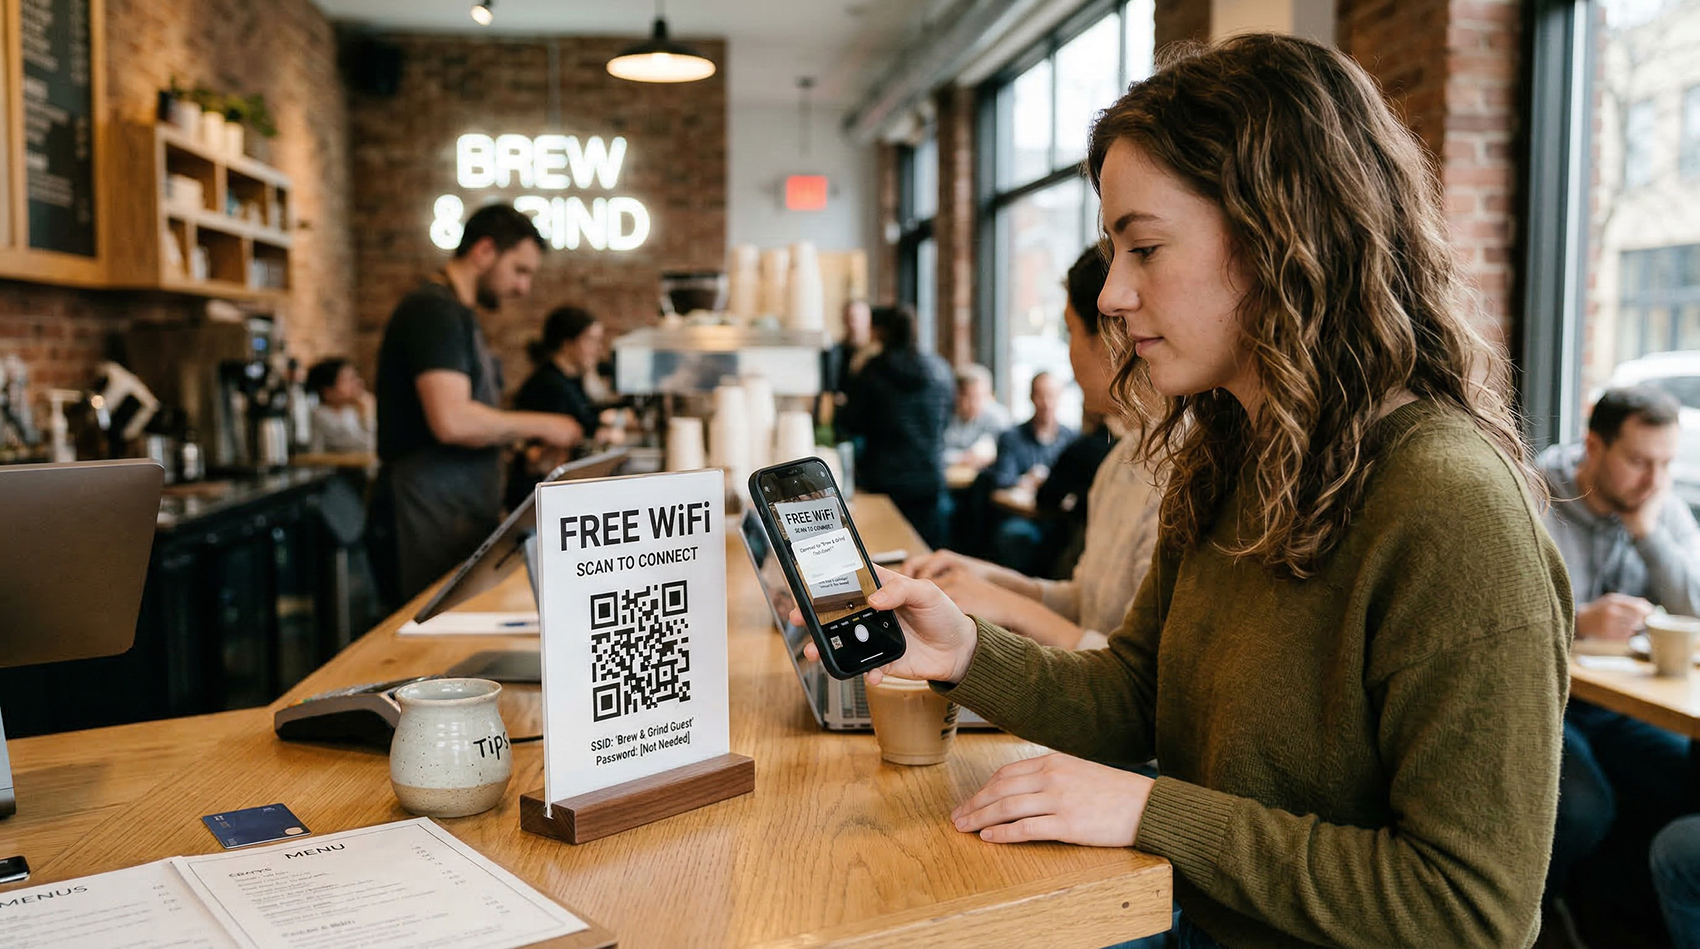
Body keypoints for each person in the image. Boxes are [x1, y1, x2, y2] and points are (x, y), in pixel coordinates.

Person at [806, 34, 1570, 948]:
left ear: (1282, 240)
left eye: (1145, 249)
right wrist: (968, 647)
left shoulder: (1451, 504)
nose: (1115, 296)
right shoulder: (1233, 455)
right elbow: (1137, 694)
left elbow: (1469, 909)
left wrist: (1152, 810)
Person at [905, 245, 1162, 650]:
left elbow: (1142, 681)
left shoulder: (1178, 475)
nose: (1070, 354)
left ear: (1113, 337)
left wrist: (1007, 605)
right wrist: (984, 578)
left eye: (1071, 332)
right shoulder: (1120, 461)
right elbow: (1082, 602)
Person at [1538, 384, 1700, 946]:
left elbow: (1696, 611)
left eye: (1665, 463)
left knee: (1685, 779)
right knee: (1582, 806)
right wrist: (1581, 620)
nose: (1654, 480)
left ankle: (1618, 917)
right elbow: (1494, 615)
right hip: (1546, 699)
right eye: (1638, 461)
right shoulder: (1537, 497)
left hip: (1620, 705)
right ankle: (1534, 923)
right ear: (1594, 446)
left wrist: (1648, 535)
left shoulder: (1658, 505)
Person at [368, 204, 581, 606]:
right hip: (419, 513)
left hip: (451, 512)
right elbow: (452, 421)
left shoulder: (458, 315)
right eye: (520, 270)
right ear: (483, 252)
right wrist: (546, 424)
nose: (523, 288)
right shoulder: (433, 311)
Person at [837, 304, 954, 549]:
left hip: (885, 480)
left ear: (879, 332)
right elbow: (946, 419)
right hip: (929, 477)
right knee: (928, 556)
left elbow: (850, 423)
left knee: (887, 556)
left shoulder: (873, 371)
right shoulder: (940, 370)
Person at [504, 305, 603, 511]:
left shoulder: (571, 380)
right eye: (590, 340)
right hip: (535, 498)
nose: (597, 349)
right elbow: (537, 454)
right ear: (567, 344)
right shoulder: (548, 384)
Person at [985, 371, 1074, 490]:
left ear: (1059, 397)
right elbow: (1002, 480)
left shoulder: (1072, 439)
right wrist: (1027, 480)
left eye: (1051, 396)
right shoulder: (1011, 438)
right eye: (1041, 396)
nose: (1046, 404)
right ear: (1031, 397)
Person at [942, 364, 1012, 470]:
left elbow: (1008, 452)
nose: (973, 404)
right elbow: (933, 452)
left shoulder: (999, 417)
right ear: (956, 396)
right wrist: (962, 458)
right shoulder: (943, 415)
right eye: (968, 397)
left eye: (979, 397)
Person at [305, 357, 375, 453]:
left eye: (356, 377)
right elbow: (367, 446)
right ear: (328, 392)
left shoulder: (349, 412)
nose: (358, 383)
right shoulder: (321, 415)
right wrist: (367, 414)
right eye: (349, 380)